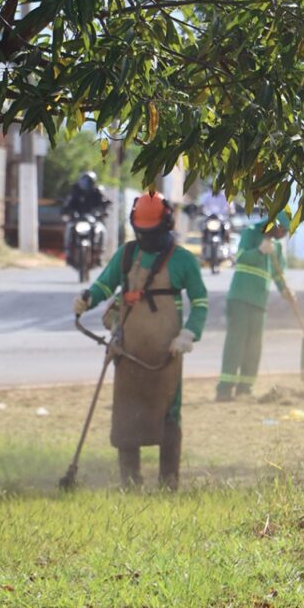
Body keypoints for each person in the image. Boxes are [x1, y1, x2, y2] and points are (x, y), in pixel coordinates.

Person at [73, 191, 208, 489]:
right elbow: (104, 285)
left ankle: (169, 482)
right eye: (142, 232)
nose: (146, 238)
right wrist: (87, 299)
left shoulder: (183, 261)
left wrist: (189, 333)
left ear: (167, 225)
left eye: (152, 232)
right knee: (126, 411)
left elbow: (200, 302)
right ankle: (130, 482)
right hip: (128, 347)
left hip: (167, 351)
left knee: (168, 413)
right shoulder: (127, 255)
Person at [215, 211, 292, 402]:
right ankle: (224, 390)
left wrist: (285, 290)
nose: (283, 235)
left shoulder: (276, 247)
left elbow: (277, 273)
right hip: (240, 298)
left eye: (286, 232)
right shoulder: (250, 233)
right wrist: (258, 251)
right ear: (274, 224)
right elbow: (240, 257)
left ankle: (245, 389)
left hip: (259, 302)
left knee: (254, 347)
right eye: (282, 230)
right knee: (236, 344)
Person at [61, 170, 110, 262]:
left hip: (93, 219)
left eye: (89, 181)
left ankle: (100, 252)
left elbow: (105, 203)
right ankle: (68, 252)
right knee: (68, 227)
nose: (86, 183)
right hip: (78, 219)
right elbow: (68, 203)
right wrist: (67, 211)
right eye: (84, 181)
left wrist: (103, 211)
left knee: (102, 229)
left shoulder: (97, 192)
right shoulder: (76, 191)